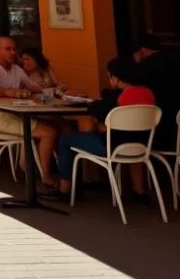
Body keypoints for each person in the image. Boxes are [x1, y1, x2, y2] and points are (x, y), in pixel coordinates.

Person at [49, 57, 157, 201]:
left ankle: (64, 190)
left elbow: (97, 110)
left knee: (65, 139)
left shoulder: (119, 97)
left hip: (112, 146)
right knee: (131, 145)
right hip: (141, 146)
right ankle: (139, 192)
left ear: (115, 78)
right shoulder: (148, 93)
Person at [0, 35, 59, 189]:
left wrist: (57, 90)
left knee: (56, 126)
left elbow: (33, 87)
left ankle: (32, 168)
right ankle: (46, 176)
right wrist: (15, 93)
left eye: (14, 49)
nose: (13, 52)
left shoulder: (16, 69)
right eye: (8, 49)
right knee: (48, 132)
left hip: (13, 114)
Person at [128, 34, 180, 150]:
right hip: (175, 122)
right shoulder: (174, 60)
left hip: (157, 126)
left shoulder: (145, 67)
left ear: (142, 50)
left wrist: (137, 64)